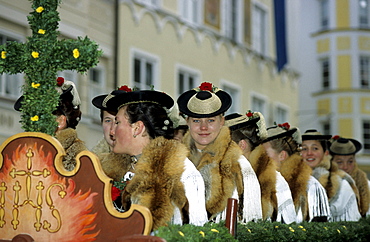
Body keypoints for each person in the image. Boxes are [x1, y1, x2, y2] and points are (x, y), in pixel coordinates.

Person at [104, 87, 208, 230]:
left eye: (117, 122)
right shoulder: (120, 169)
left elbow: (193, 234)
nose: (111, 131)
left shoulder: (181, 172)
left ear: (137, 128)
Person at [177, 82, 262, 223]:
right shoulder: (175, 162)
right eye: (196, 120)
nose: (203, 127)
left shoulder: (240, 166)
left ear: (222, 121)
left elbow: (252, 223)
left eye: (211, 120)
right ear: (188, 122)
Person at [225, 111, 296, 224]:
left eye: (225, 145)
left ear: (242, 145)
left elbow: (288, 227)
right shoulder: (228, 175)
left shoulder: (274, 180)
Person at [14, 77, 86, 171]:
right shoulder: (22, 154)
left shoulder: (78, 161)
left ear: (60, 121)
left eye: (40, 116)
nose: (32, 123)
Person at [263, 124, 331, 222]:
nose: (260, 159)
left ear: (282, 155)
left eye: (265, 154)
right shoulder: (267, 185)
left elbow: (320, 231)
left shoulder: (311, 186)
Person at [301, 129, 361, 221]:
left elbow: (353, 222)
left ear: (326, 153)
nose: (309, 153)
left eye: (315, 148)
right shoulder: (292, 182)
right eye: (304, 149)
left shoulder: (342, 184)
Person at [329, 136, 370, 217]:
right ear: (331, 162)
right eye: (339, 162)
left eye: (350, 162)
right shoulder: (324, 183)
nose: (345, 167)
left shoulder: (367, 185)